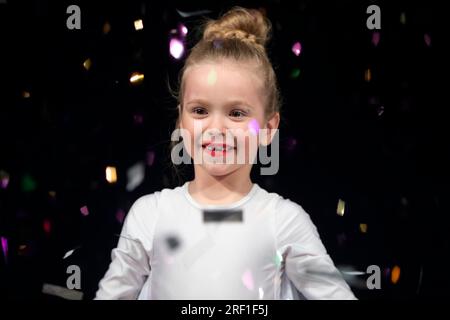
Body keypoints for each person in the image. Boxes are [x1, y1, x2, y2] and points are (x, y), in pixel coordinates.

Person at [95, 6, 356, 300]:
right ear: (181, 120)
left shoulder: (283, 220)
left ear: (269, 127)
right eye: (200, 110)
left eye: (236, 113)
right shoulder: (150, 215)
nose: (216, 127)